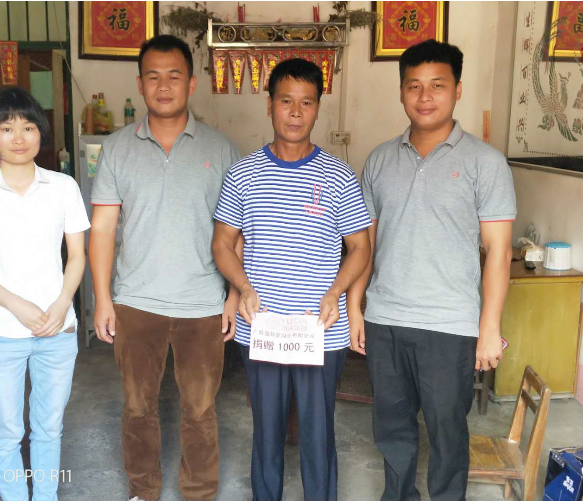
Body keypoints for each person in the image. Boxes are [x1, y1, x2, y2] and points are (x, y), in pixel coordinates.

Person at [348, 39, 516, 501]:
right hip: (386, 319)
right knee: (392, 428)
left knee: (447, 431)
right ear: (402, 92)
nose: (425, 97)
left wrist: (488, 328)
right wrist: (356, 308)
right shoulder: (380, 160)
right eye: (414, 86)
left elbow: (498, 251)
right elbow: (365, 246)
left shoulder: (485, 163)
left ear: (457, 90)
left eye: (437, 85)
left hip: (450, 324)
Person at [88, 34, 240, 501]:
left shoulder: (221, 148)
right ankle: (143, 490)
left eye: (174, 76)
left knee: (200, 410)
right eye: (153, 76)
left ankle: (198, 492)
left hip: (202, 303)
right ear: (140, 84)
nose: (164, 86)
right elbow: (103, 229)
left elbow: (237, 232)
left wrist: (234, 295)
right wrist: (103, 299)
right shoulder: (117, 148)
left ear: (191, 83)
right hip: (136, 301)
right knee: (137, 407)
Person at [212, 58, 372, 501]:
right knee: (266, 430)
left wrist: (336, 293)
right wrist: (243, 288)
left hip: (320, 327)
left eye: (307, 102)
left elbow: (360, 247)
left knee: (319, 430)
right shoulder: (243, 173)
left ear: (318, 108)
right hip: (261, 325)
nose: (296, 112)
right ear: (270, 106)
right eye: (286, 101)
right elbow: (223, 243)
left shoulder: (338, 175)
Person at [0, 87, 89, 501]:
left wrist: (61, 305)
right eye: (6, 128)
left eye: (28, 127)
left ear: (41, 132)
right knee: (7, 432)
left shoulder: (62, 186)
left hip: (56, 330)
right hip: (0, 331)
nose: (19, 137)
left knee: (49, 427)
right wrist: (18, 305)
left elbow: (77, 256)